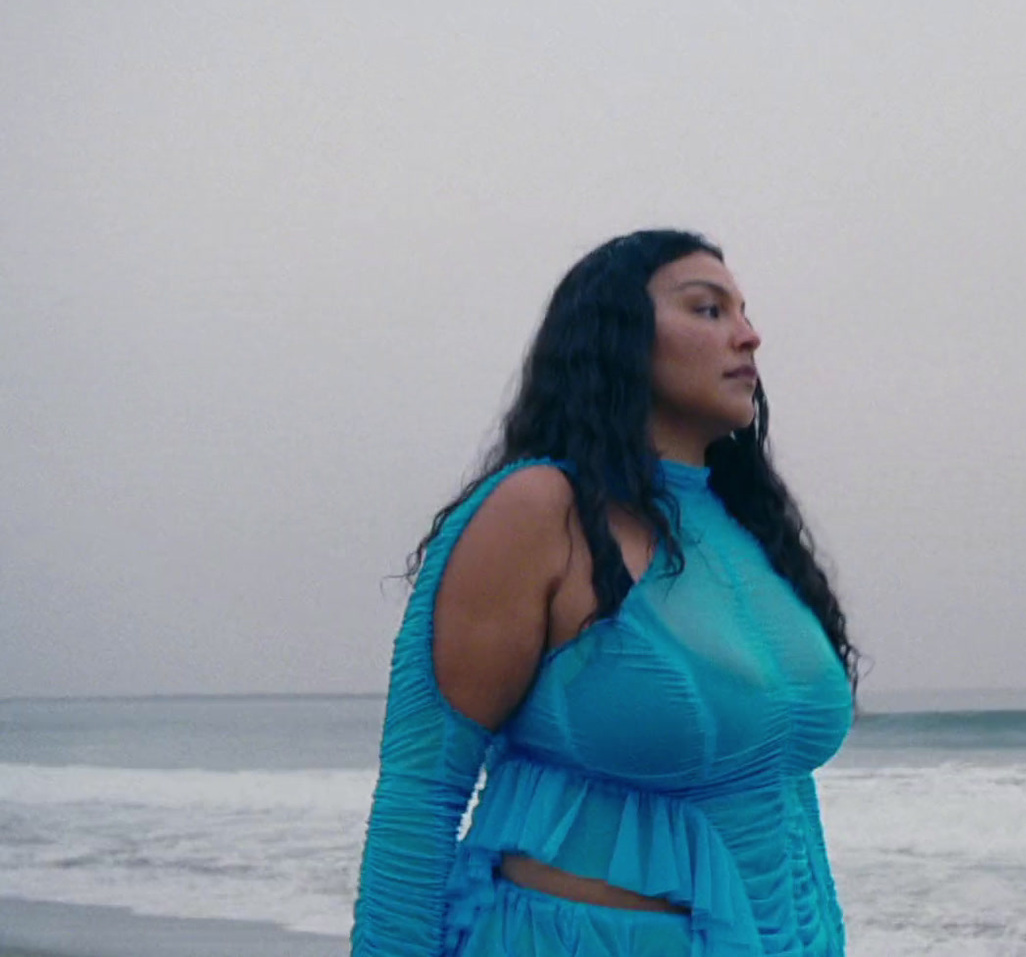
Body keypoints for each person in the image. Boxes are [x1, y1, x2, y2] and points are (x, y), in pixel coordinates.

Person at [351, 229, 860, 957]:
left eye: (743, 312)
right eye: (708, 310)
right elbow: (421, 790)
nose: (749, 336)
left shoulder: (749, 526)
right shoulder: (540, 510)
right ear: (615, 336)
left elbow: (778, 796)